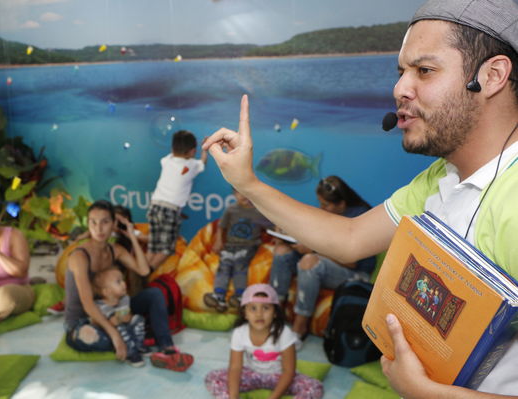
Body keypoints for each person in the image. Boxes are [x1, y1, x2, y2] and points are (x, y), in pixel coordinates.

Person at [203, 0, 518, 396]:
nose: (400, 89)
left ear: (491, 76)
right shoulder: (438, 178)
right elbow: (350, 239)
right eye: (401, 72)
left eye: (424, 70)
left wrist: (426, 392)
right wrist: (248, 183)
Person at [64, 200, 193, 372]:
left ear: (113, 225)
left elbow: (143, 270)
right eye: (93, 222)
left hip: (114, 311)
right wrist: (115, 335)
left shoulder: (115, 250)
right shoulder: (79, 256)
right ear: (88, 224)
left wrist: (132, 236)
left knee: (154, 294)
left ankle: (167, 349)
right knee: (96, 338)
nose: (99, 228)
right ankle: (131, 339)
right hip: (84, 321)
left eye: (105, 221)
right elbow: (87, 304)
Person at [269, 176, 375, 339]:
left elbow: (350, 261)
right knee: (282, 251)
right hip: (327, 259)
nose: (321, 208)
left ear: (342, 204)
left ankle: (299, 328)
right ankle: (274, 312)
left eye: (325, 204)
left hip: (355, 273)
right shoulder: (330, 213)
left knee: (309, 262)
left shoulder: (359, 218)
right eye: (320, 203)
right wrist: (286, 235)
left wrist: (312, 249)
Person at [205, 284, 323, 399]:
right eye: (253, 308)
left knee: (314, 387)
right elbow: (235, 367)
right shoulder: (239, 333)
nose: (259, 314)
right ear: (244, 313)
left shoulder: (284, 333)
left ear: (275, 313)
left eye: (266, 308)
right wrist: (233, 396)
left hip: (279, 376)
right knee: (212, 378)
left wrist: (273, 397)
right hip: (251, 374)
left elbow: (288, 371)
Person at [146, 130, 208, 269]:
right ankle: (146, 274)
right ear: (192, 151)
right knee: (166, 249)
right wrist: (205, 150)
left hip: (155, 206)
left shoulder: (167, 161)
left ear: (173, 148)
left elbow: (172, 156)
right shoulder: (190, 165)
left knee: (153, 246)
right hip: (170, 210)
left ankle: (140, 272)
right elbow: (203, 162)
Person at [204, 188, 271, 312]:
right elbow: (221, 227)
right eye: (239, 193)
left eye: (246, 192)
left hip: (249, 246)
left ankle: (240, 296)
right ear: (234, 195)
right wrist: (218, 242)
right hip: (230, 246)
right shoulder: (231, 210)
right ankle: (219, 297)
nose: (243, 196)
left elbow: (272, 226)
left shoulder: (258, 212)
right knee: (224, 265)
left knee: (240, 264)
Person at [91, 267, 148, 367]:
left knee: (138, 318)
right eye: (118, 282)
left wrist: (125, 317)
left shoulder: (124, 299)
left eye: (123, 280)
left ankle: (138, 344)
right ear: (107, 292)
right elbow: (113, 321)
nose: (124, 284)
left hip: (123, 326)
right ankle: (130, 351)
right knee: (120, 327)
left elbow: (128, 316)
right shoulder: (100, 305)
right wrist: (123, 317)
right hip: (108, 334)